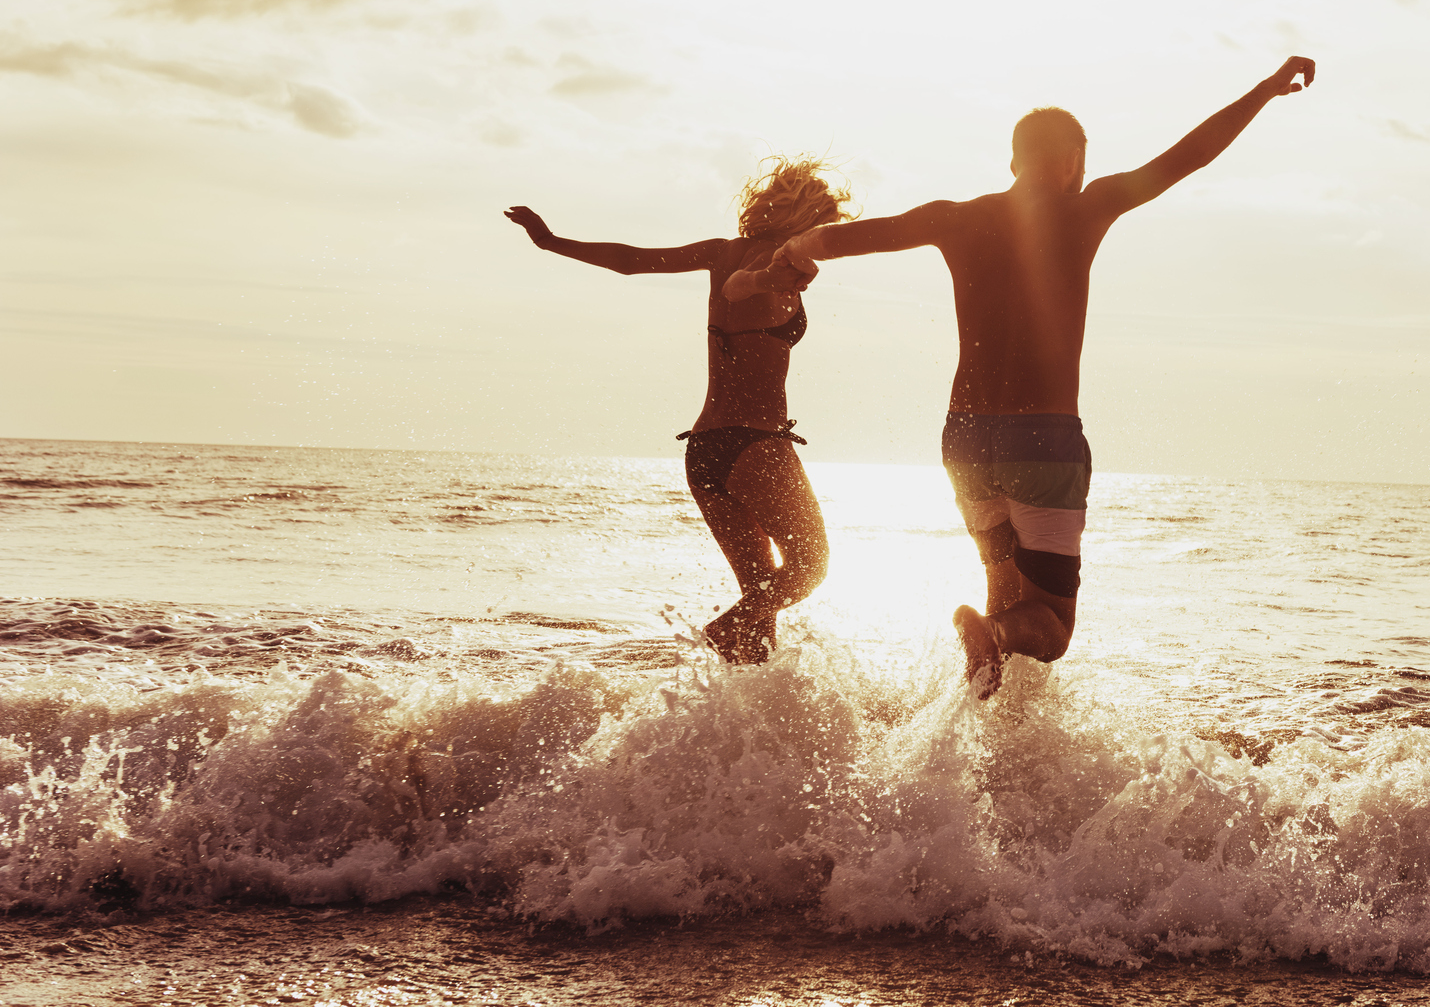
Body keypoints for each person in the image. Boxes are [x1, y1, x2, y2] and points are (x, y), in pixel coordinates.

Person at [768, 58, 1316, 697]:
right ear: (1073, 160)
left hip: (965, 439)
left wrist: (792, 251)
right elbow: (1189, 155)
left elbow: (863, 237)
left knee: (1004, 592)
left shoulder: (956, 216)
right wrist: (1267, 89)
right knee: (1050, 627)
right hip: (1042, 439)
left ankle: (996, 730)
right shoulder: (1085, 210)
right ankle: (993, 638)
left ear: (1012, 162)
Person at [502, 158, 851, 663]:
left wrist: (551, 241)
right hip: (757, 446)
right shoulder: (787, 266)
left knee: (758, 624)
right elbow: (768, 280)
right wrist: (782, 276)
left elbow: (630, 260)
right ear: (810, 221)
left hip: (705, 450)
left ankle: (738, 734)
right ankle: (718, 629)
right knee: (807, 568)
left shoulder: (719, 252)